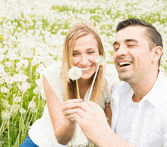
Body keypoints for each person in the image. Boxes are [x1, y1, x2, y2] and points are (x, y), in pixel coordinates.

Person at [64, 18, 167, 147]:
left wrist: (105, 137)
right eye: (116, 48)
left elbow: (105, 138)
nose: (120, 52)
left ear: (156, 53)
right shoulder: (117, 94)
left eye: (131, 45)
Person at [20, 23, 119, 146]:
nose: (83, 61)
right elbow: (62, 139)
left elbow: (106, 135)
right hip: (44, 143)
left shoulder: (110, 78)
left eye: (90, 52)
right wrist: (70, 120)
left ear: (100, 53)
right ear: (67, 55)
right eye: (75, 54)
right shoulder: (53, 75)